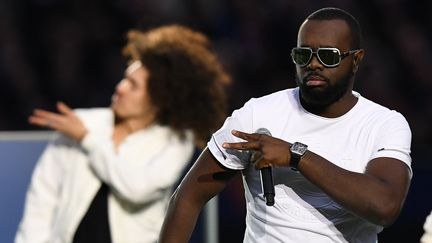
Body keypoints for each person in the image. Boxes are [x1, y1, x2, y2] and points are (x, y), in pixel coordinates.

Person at [159, 7, 412, 243]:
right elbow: (188, 196)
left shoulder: (384, 124)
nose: (313, 64)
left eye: (328, 56)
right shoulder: (258, 114)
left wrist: (296, 155)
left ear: (356, 60)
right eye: (303, 54)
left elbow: (385, 207)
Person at [15, 24, 230, 243]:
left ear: (158, 100)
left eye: (133, 85)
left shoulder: (174, 142)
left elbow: (137, 188)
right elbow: (42, 200)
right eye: (124, 78)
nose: (120, 87)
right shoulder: (82, 122)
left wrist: (88, 139)